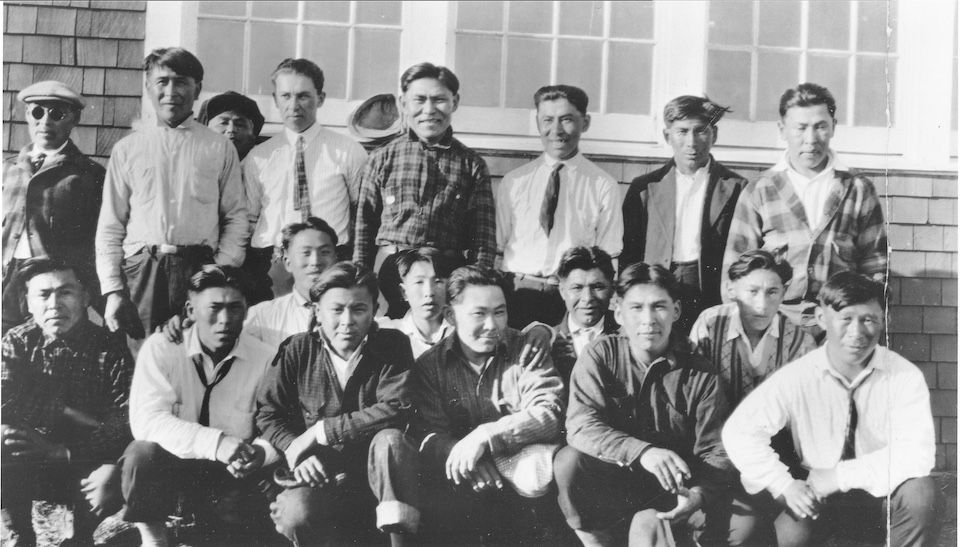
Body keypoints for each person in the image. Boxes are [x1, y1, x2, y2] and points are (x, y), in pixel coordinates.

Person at [722, 272, 941, 546]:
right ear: (822, 318)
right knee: (790, 538)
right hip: (817, 495)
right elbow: (740, 432)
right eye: (846, 319)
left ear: (883, 320)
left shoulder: (903, 375)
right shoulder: (800, 375)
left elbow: (917, 453)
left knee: (920, 495)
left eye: (869, 319)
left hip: (880, 492)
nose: (857, 332)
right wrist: (784, 485)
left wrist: (839, 476)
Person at [555, 263, 747, 547]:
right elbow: (581, 425)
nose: (648, 320)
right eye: (636, 308)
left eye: (659, 306)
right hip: (616, 481)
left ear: (676, 311)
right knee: (569, 463)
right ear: (618, 312)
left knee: (743, 528)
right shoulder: (601, 354)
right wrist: (642, 452)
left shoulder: (700, 372)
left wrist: (697, 495)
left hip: (676, 488)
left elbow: (716, 450)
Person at [256, 262, 420, 546]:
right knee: (296, 512)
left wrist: (321, 431)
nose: (347, 321)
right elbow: (269, 413)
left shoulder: (393, 345)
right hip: (320, 476)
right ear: (317, 311)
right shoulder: (297, 350)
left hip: (377, 480)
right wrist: (297, 450)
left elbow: (397, 407)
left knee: (391, 441)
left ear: (374, 310)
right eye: (336, 309)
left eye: (358, 309)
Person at [96, 47, 247, 354]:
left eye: (181, 82)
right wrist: (113, 290)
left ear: (197, 89)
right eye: (162, 82)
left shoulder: (218, 147)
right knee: (144, 358)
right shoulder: (128, 149)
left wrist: (219, 271)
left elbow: (236, 216)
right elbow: (111, 225)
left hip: (199, 268)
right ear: (148, 87)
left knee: (195, 356)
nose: (171, 92)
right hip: (143, 271)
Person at [120, 266, 277, 547]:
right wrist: (216, 443)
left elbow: (277, 421)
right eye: (214, 308)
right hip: (174, 465)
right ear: (190, 310)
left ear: (246, 310)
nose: (225, 320)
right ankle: (154, 540)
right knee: (141, 453)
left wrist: (261, 452)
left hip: (232, 472)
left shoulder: (265, 358)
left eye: (235, 308)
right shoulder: (162, 347)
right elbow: (146, 420)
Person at [412, 266, 565, 544]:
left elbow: (548, 411)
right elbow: (429, 433)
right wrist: (465, 457)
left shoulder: (526, 349)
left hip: (527, 487)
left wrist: (487, 436)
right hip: (465, 485)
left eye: (499, 312)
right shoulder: (430, 366)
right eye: (479, 314)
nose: (492, 325)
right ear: (450, 315)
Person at [723, 83, 887, 331]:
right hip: (774, 324)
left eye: (820, 126)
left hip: (838, 325)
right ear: (782, 130)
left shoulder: (858, 189)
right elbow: (734, 270)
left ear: (833, 127)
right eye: (800, 128)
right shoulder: (760, 190)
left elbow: (876, 268)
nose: (811, 139)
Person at [1, 257, 134, 546]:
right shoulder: (17, 341)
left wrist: (66, 451)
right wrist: (63, 413)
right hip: (33, 448)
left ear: (85, 297)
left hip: (88, 458)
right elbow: (3, 402)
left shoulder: (111, 347)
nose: (54, 304)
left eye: (65, 292)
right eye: (43, 295)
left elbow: (125, 421)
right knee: (2, 436)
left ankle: (83, 534)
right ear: (28, 303)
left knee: (112, 484)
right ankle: (18, 534)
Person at [354, 62, 496, 319]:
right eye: (419, 100)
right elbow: (363, 230)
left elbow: (483, 242)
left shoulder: (471, 165)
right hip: (389, 276)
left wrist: (471, 293)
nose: (429, 110)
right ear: (403, 104)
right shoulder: (381, 159)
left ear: (454, 102)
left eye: (439, 100)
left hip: (444, 280)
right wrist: (362, 288)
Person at [496, 85, 623, 328]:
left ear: (585, 123)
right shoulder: (514, 182)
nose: (556, 130)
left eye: (567, 120)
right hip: (517, 292)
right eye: (548, 120)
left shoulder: (602, 185)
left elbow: (609, 255)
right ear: (537, 123)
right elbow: (498, 248)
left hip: (570, 298)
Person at [622, 95, 747, 336]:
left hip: (709, 291)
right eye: (682, 131)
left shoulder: (736, 188)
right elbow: (630, 253)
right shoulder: (645, 188)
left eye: (701, 131)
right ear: (667, 136)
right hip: (656, 289)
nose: (692, 142)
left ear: (714, 135)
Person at [244, 58, 368, 300]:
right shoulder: (259, 157)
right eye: (286, 96)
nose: (293, 105)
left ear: (320, 98)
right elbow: (249, 217)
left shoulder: (348, 151)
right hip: (272, 262)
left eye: (303, 96)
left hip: (329, 259)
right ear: (275, 99)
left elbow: (362, 214)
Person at [2, 80, 105, 334]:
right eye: (38, 112)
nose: (45, 122)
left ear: (75, 118)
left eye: (57, 114)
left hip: (55, 285)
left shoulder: (88, 174)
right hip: (7, 279)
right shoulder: (7, 169)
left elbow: (98, 241)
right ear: (27, 115)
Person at [690, 249, 816, 407]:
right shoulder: (710, 324)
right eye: (752, 291)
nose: (762, 305)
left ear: (783, 293)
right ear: (731, 290)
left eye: (772, 292)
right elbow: (693, 389)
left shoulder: (800, 341)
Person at [550, 246, 619, 385]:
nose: (587, 298)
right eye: (577, 288)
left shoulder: (626, 334)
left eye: (597, 287)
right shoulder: (548, 341)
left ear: (612, 289)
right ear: (562, 291)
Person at [197, 90, 265, 161]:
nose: (231, 129)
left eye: (239, 124)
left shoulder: (264, 165)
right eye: (223, 123)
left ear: (253, 133)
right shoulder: (192, 162)